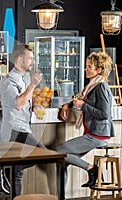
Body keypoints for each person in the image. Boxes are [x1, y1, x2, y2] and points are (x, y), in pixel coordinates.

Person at [56, 51, 115, 188]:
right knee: (62, 161)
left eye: (89, 67)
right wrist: (67, 105)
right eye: (86, 66)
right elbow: (79, 99)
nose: (86, 69)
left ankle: (91, 169)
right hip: (91, 133)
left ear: (99, 70)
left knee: (59, 151)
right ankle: (60, 197)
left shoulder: (101, 87)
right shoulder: (92, 86)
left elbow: (105, 114)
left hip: (98, 135)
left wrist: (83, 106)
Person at [0, 43, 46, 196]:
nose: (33, 61)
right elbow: (17, 104)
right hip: (14, 130)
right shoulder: (9, 81)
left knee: (17, 176)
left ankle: (10, 170)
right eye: (30, 58)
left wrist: (33, 106)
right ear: (20, 60)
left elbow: (24, 102)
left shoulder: (25, 77)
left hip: (23, 126)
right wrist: (32, 85)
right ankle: (8, 168)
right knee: (42, 153)